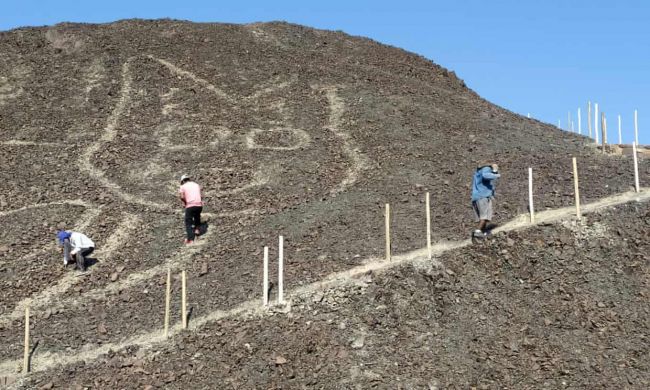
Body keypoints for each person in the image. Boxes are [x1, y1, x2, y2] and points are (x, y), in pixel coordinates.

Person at [471, 163, 500, 238]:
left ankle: (483, 232)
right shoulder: (486, 168)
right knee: (484, 217)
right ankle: (478, 232)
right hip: (483, 196)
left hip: (477, 197)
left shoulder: (478, 171)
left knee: (484, 217)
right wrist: (496, 173)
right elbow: (486, 175)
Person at [179, 174, 203, 245]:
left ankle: (190, 240)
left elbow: (182, 196)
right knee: (197, 216)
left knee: (188, 222)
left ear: (183, 181)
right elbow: (200, 195)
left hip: (190, 205)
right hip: (199, 205)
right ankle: (197, 230)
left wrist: (185, 202)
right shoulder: (196, 185)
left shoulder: (182, 186)